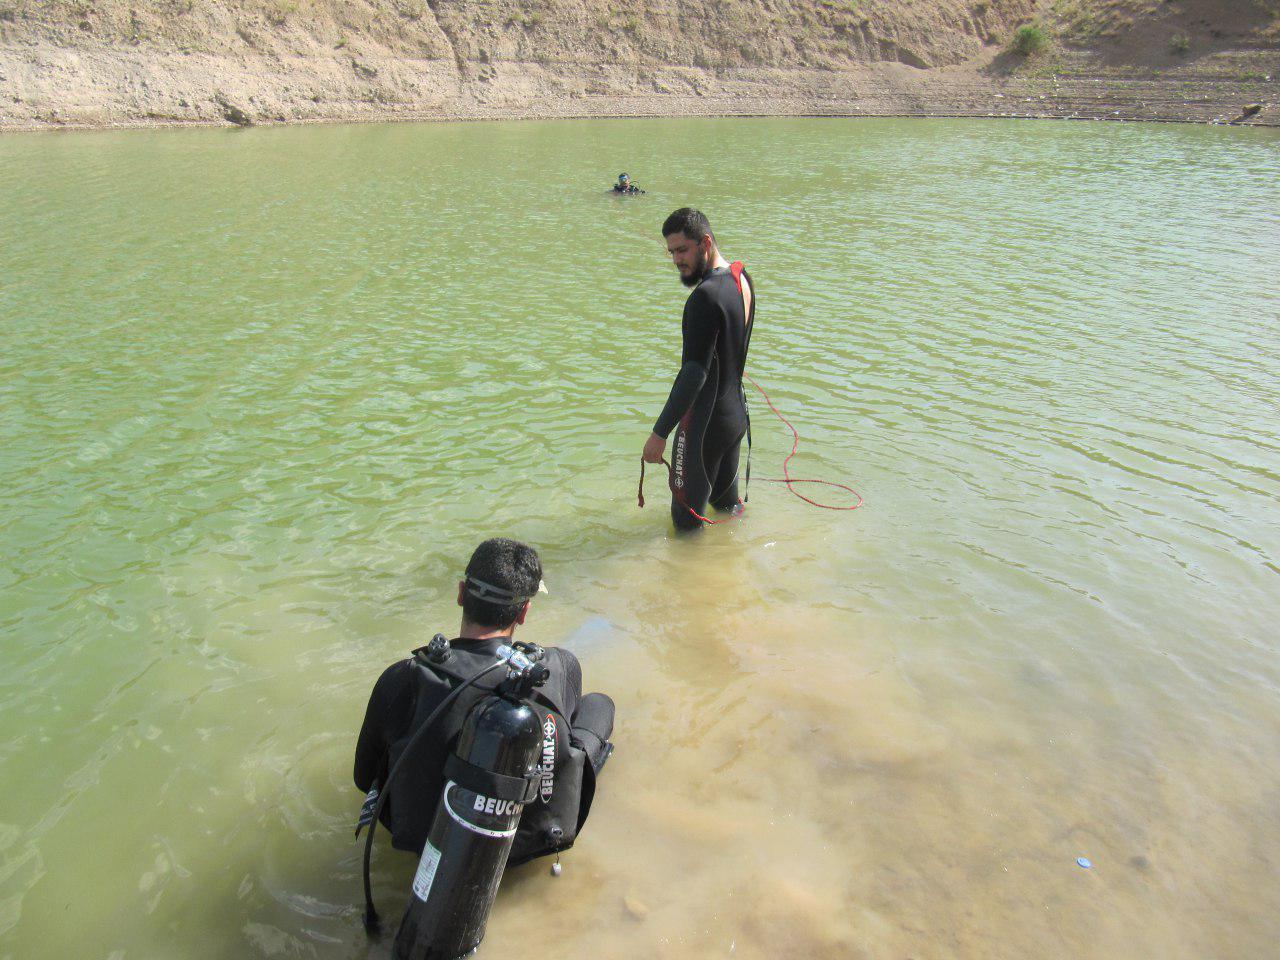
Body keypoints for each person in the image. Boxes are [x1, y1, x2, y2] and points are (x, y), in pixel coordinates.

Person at [354, 538, 615, 866]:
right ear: (523, 612)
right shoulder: (559, 666)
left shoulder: (403, 677)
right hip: (526, 844)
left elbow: (364, 779)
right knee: (600, 704)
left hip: (429, 846)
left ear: (461, 593)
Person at [642, 208, 755, 531]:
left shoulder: (704, 298)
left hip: (705, 425)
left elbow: (694, 373)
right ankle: (735, 565)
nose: (677, 260)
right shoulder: (741, 277)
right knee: (727, 505)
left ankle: (690, 577)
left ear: (705, 242)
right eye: (672, 252)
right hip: (735, 417)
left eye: (683, 250)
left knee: (686, 522)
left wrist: (659, 433)